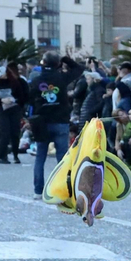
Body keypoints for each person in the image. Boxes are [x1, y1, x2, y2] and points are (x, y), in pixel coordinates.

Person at [30, 52, 79, 200]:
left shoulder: (36, 80)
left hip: (42, 122)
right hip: (60, 121)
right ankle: (64, 190)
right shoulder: (62, 78)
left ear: (43, 63)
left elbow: (29, 99)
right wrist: (64, 60)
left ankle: (38, 190)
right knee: (62, 158)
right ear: (57, 64)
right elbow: (78, 69)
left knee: (40, 157)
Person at [0, 62, 28, 164]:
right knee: (4, 132)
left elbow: (23, 95)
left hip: (14, 109)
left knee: (15, 132)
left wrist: (15, 101)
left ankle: (15, 155)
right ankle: (2, 156)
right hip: (1, 109)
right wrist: (0, 102)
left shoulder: (16, 82)